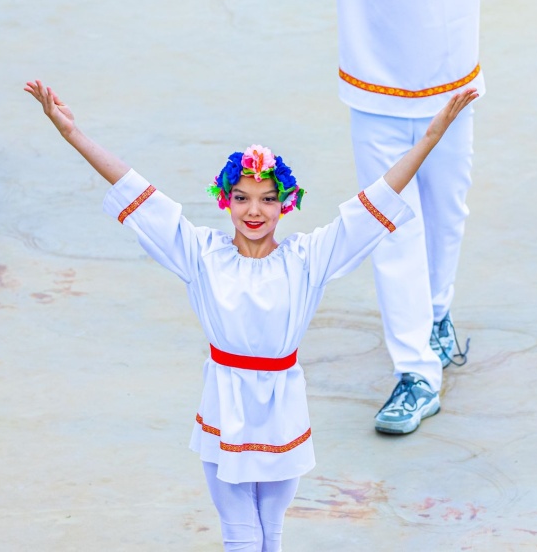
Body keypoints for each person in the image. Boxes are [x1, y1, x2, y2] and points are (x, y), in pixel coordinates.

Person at [25, 78, 477, 550]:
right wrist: (72, 134)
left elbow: (373, 203)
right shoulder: (201, 253)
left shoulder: (307, 258)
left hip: (282, 410)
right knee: (241, 535)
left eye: (267, 198)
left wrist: (429, 139)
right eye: (241, 197)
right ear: (226, 200)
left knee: (270, 533)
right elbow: (138, 191)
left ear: (286, 204)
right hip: (225, 405)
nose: (254, 210)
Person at [334, 0, 486, 434]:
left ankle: (436, 314)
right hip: (374, 83)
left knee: (447, 212)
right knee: (391, 229)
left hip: (450, 79)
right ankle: (415, 372)